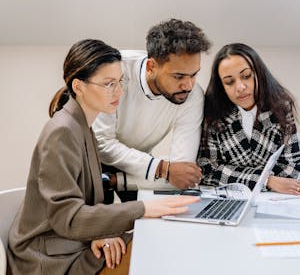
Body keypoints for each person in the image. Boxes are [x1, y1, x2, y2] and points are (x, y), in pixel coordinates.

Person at [7, 39, 198, 275]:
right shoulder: (62, 132)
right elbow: (65, 216)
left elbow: (80, 208)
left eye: (120, 82)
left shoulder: (83, 126)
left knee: (156, 239)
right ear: (79, 87)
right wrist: (142, 209)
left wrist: (102, 232)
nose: (118, 91)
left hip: (73, 241)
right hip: (50, 257)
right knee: (154, 249)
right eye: (108, 84)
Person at [93, 19, 211, 198]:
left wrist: (166, 170)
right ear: (151, 67)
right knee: (98, 221)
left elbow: (181, 174)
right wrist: (163, 168)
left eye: (194, 74)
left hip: (140, 163)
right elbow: (101, 143)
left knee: (147, 220)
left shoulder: (193, 96)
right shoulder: (115, 71)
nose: (188, 85)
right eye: (178, 76)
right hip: (93, 159)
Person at [197, 43, 300, 196]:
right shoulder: (213, 114)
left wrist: (235, 175)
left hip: (273, 199)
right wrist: (267, 180)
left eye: (246, 76)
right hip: (228, 199)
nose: (240, 87)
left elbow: (294, 166)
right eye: (229, 82)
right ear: (222, 86)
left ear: (259, 74)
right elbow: (208, 170)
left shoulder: (281, 106)